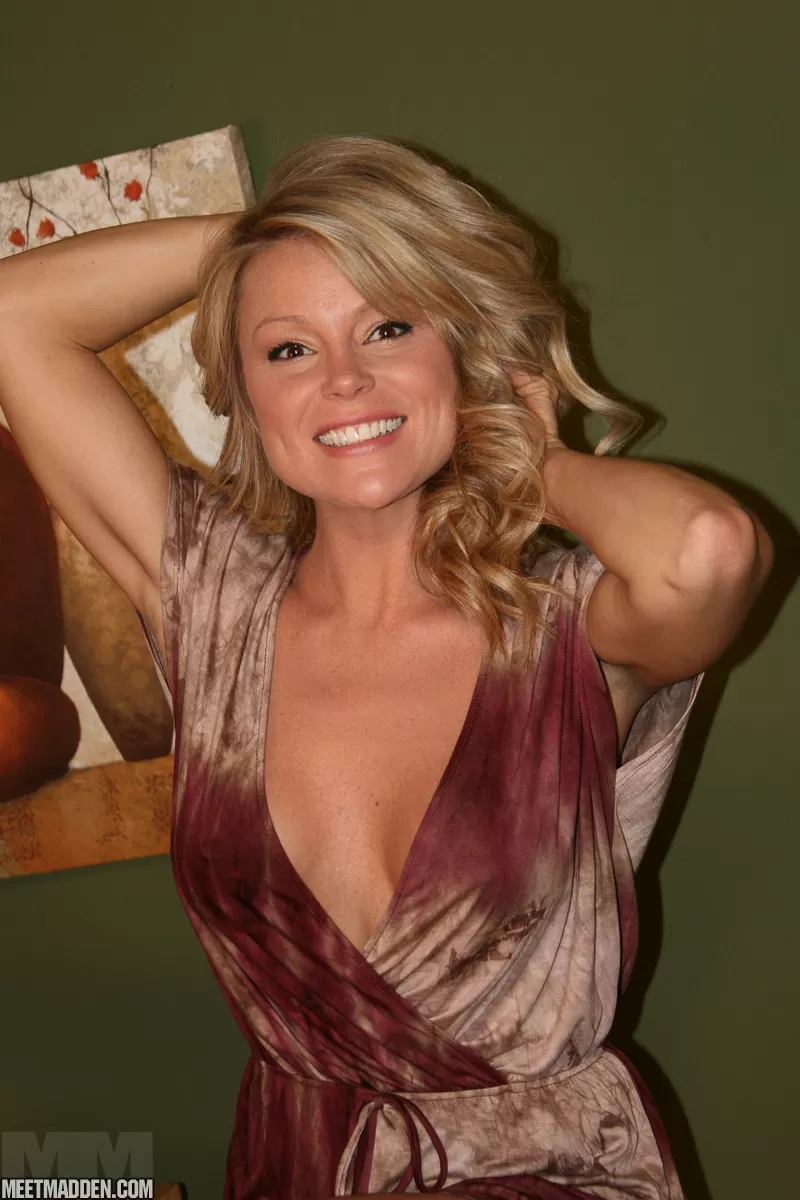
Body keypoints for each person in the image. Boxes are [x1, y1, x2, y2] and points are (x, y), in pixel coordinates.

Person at [0, 135, 772, 1200]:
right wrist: (267, 240)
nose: (344, 378)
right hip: (296, 1161)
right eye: (288, 348)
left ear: (459, 357)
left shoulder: (564, 629)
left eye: (390, 326)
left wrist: (528, 459)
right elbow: (15, 317)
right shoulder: (214, 608)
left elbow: (710, 551)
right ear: (246, 397)